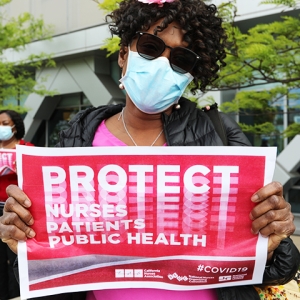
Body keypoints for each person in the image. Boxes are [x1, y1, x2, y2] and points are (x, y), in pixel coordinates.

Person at [0, 0, 300, 299]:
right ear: (123, 55)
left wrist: (274, 237)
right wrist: (23, 241)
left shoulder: (218, 134)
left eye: (180, 59)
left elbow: (272, 266)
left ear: (190, 74)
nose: (161, 64)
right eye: (150, 47)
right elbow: (49, 259)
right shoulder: (79, 135)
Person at [0, 110, 33, 300]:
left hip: (18, 212)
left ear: (15, 126)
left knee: (15, 258)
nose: (1, 128)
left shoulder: (28, 148)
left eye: (5, 123)